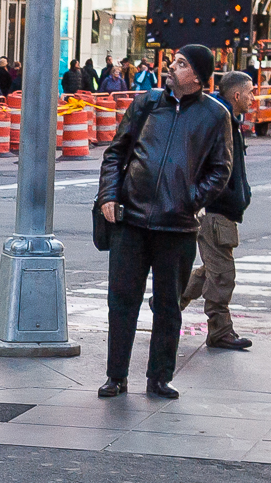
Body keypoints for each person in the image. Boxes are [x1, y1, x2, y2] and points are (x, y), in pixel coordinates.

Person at [96, 44, 233, 400]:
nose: (172, 66)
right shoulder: (147, 103)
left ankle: (159, 378)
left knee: (168, 306)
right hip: (131, 220)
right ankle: (117, 376)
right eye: (175, 61)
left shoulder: (215, 115)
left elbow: (221, 171)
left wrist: (189, 199)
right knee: (121, 301)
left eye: (182, 63)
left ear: (198, 76)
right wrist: (110, 195)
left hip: (178, 227)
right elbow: (116, 152)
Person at [180, 70, 253, 353]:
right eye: (250, 92)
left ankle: (170, 299)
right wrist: (211, 199)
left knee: (211, 268)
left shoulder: (227, 120)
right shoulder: (218, 121)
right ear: (236, 95)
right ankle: (221, 331)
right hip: (215, 209)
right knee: (222, 273)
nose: (252, 97)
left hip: (221, 208)